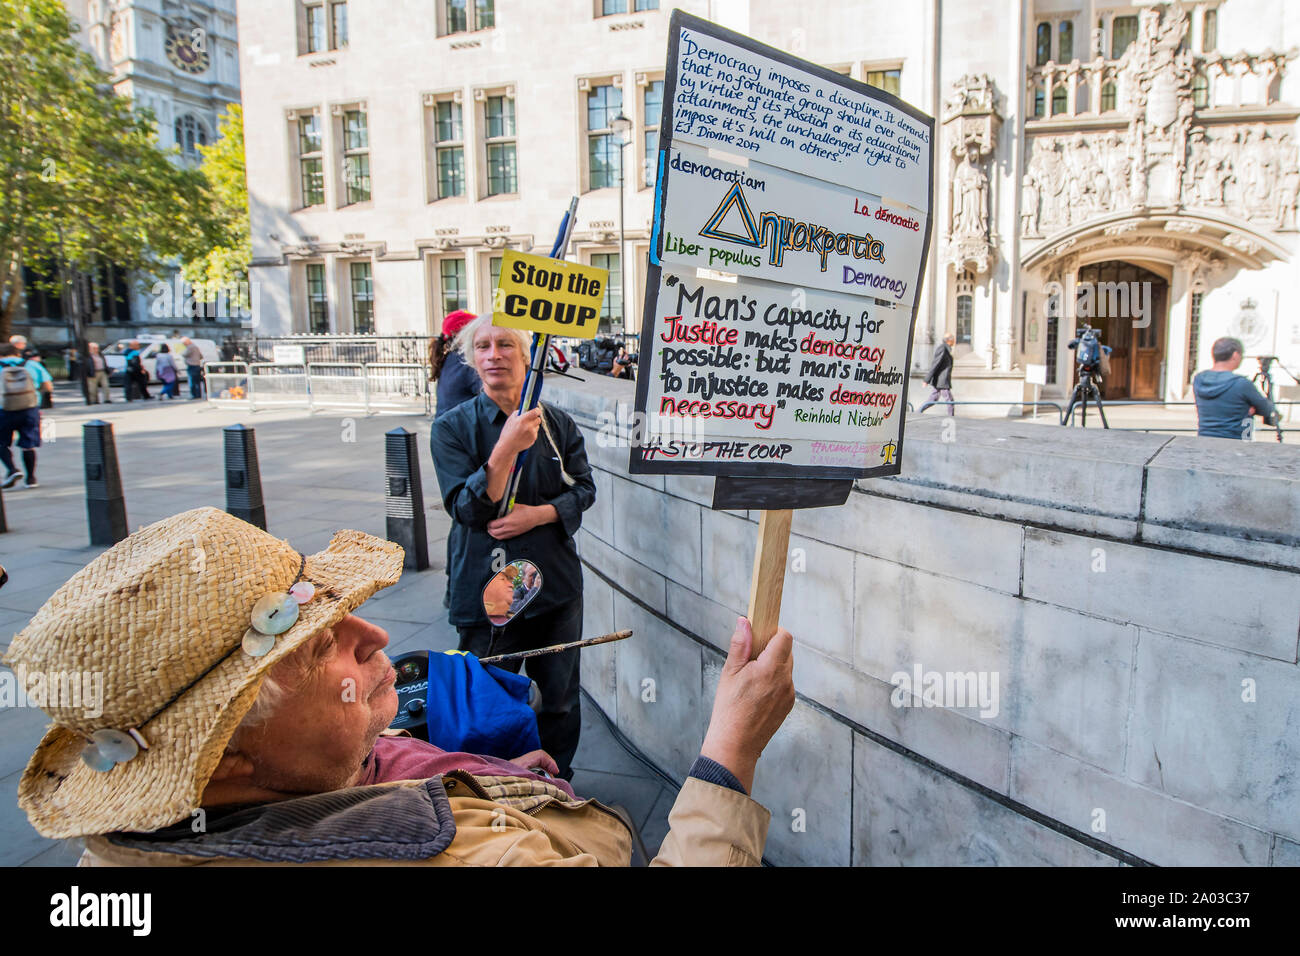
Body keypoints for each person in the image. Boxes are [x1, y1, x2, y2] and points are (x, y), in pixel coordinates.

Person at [4, 507, 795, 866]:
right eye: (320, 650)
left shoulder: (138, 844)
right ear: (227, 758)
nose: (375, 634)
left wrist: (431, 766)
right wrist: (728, 757)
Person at [430, 317, 595, 779]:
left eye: (505, 345)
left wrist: (539, 514)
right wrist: (504, 450)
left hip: (555, 586)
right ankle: (498, 786)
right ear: (472, 359)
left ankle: (559, 785)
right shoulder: (451, 429)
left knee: (560, 698)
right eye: (482, 347)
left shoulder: (556, 424)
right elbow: (465, 510)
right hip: (487, 591)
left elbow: (584, 488)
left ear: (526, 357)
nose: (493, 355)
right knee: (488, 700)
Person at [1192, 336, 1277, 440]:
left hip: (1204, 439)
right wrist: (1250, 408)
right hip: (1236, 442)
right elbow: (1266, 409)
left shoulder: (1199, 379)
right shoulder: (1241, 383)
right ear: (1235, 355)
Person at [1, 342, 52, 489]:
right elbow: (48, 386)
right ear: (17, 353)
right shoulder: (32, 365)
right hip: (29, 408)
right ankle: (31, 479)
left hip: (3, 410)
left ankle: (12, 469)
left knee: (1, 443)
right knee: (28, 445)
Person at [429, 309, 481, 419]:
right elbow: (490, 396)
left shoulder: (450, 357)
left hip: (448, 426)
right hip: (460, 429)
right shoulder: (466, 361)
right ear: (458, 334)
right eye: (475, 330)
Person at [918, 333, 956, 415]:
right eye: (953, 339)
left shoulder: (946, 349)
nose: (954, 341)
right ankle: (952, 418)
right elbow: (935, 364)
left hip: (941, 380)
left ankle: (918, 411)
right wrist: (926, 380)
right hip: (941, 381)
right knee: (950, 401)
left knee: (933, 399)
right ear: (949, 340)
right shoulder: (942, 349)